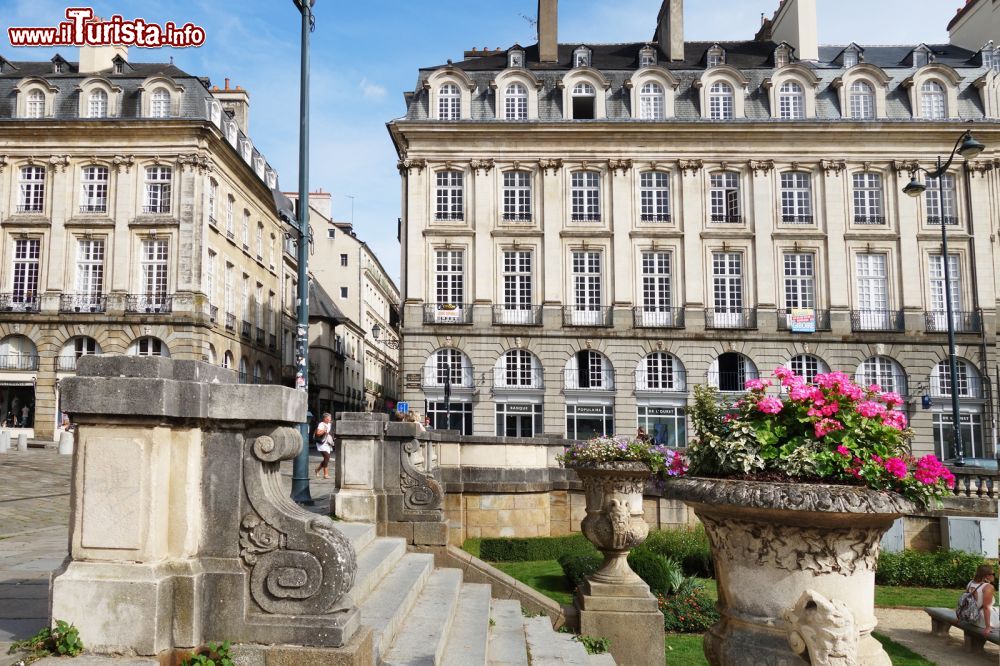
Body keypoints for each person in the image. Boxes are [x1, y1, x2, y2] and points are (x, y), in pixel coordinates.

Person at [964, 564, 997, 636]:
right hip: (983, 620)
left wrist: (959, 617)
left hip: (972, 617)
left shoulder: (970, 583)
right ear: (987, 575)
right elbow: (986, 607)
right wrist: (988, 627)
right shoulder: (988, 587)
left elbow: (964, 601)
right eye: (993, 574)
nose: (994, 576)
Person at [313, 412, 334, 479]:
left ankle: (317, 470)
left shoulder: (329, 424)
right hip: (321, 443)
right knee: (327, 457)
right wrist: (324, 430)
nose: (330, 419)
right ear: (325, 418)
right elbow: (318, 433)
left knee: (326, 458)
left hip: (327, 443)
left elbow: (330, 431)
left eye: (330, 418)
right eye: (329, 418)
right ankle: (325, 474)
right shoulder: (321, 424)